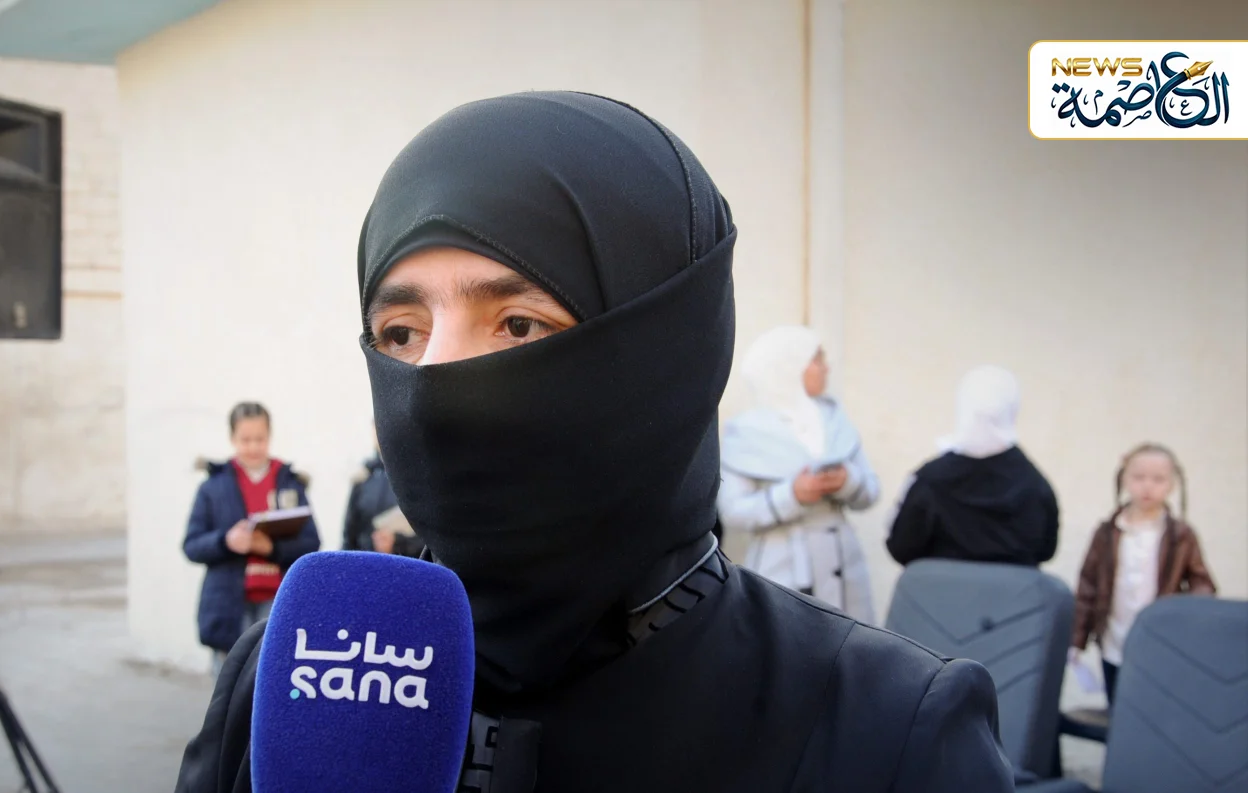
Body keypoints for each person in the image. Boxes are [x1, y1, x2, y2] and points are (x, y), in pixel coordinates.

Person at [175, 92, 1013, 793]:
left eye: (517, 323)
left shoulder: (886, 729)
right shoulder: (292, 672)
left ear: (666, 352)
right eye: (400, 331)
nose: (432, 385)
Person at [717, 325, 880, 623]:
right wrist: (791, 496)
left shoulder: (836, 421)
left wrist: (847, 481)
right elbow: (733, 512)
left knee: (851, 644)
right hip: (781, 569)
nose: (826, 367)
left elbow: (870, 492)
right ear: (789, 366)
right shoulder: (748, 431)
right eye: (817, 359)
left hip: (843, 568)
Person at [1069, 442, 1216, 704]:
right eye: (1139, 477)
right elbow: (1087, 586)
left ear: (1172, 484)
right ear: (1124, 479)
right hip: (1113, 640)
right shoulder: (1107, 532)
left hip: (1162, 643)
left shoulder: (1180, 535)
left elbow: (1201, 583)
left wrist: (1186, 620)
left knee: (1153, 708)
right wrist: (1076, 640)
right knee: (1117, 705)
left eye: (1158, 479)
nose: (1148, 486)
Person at [181, 402, 321, 677]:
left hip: (276, 600)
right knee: (229, 684)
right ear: (232, 438)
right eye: (245, 440)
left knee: (270, 679)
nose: (253, 447)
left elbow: (311, 543)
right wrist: (226, 541)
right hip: (228, 603)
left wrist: (271, 548)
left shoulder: (289, 482)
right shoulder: (212, 487)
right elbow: (192, 545)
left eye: (260, 439)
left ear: (270, 436)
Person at [886, 365, 1059, 568]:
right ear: (1013, 409)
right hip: (1012, 589)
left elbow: (901, 547)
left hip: (943, 588)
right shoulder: (1034, 485)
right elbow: (1046, 549)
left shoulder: (929, 480)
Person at [341, 424, 425, 558]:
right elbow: (349, 535)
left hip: (406, 562)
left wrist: (397, 543)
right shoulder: (364, 477)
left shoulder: (418, 475)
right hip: (366, 562)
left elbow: (430, 539)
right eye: (375, 426)